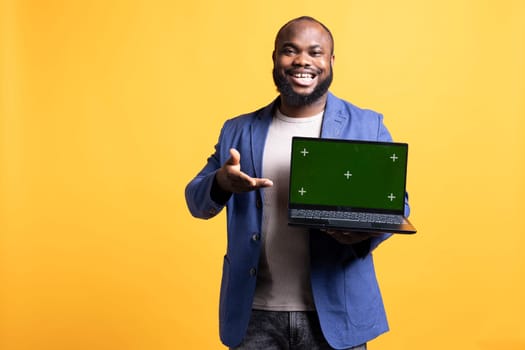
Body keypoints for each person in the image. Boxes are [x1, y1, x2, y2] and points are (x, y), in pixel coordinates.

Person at [185, 16, 410, 350]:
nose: (302, 60)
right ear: (275, 58)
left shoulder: (366, 125)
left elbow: (398, 206)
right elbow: (195, 201)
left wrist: (363, 233)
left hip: (336, 315)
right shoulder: (238, 130)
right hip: (253, 316)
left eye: (315, 52)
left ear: (330, 61)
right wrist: (221, 182)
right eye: (290, 51)